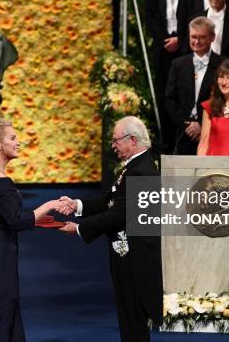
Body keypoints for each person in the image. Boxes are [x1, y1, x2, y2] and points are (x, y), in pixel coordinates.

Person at [59, 116, 163, 342]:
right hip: (126, 256)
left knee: (133, 319)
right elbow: (113, 201)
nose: (113, 146)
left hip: (135, 260)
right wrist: (77, 205)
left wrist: (80, 228)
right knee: (128, 318)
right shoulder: (137, 166)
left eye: (116, 141)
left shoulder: (141, 171)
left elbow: (118, 214)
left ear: (132, 139)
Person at [0, 119, 70, 341]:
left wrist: (49, 222)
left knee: (5, 307)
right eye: (13, 138)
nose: (18, 143)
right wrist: (50, 205)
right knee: (1, 311)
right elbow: (15, 222)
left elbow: (3, 218)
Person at [145, 0, 200, 152]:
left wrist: (182, 39)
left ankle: (186, 139)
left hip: (187, 47)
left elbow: (197, 14)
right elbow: (149, 16)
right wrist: (164, 40)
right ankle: (166, 144)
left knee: (186, 93)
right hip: (163, 48)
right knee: (164, 94)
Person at [165, 16, 224, 154]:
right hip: (183, 134)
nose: (196, 41)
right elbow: (169, 100)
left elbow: (226, 101)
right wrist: (188, 126)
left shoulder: (224, 65)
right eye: (193, 37)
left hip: (214, 135)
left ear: (212, 37)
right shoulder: (177, 64)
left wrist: (203, 126)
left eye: (202, 37)